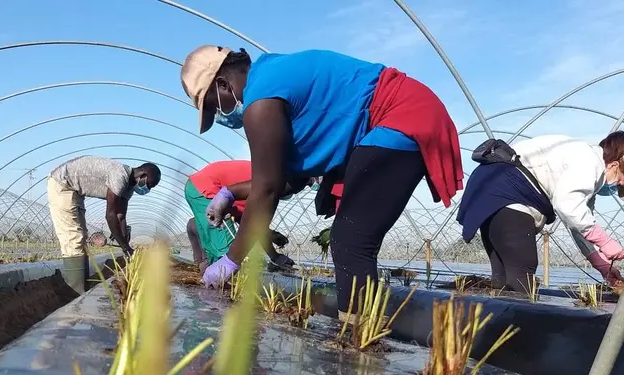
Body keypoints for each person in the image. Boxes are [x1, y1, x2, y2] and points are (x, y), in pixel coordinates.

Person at [179, 45, 463, 319]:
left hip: (399, 113)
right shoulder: (272, 76)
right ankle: (358, 327)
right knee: (351, 239)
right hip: (391, 118)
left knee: (351, 241)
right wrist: (230, 193)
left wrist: (230, 262)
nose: (221, 116)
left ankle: (357, 340)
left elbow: (267, 191)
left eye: (215, 107)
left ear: (223, 84)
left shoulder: (261, 100)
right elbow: (287, 182)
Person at [456, 131, 624, 293]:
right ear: (613, 165)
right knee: (523, 271)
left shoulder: (586, 172)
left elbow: (578, 225)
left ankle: (493, 331)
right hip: (508, 194)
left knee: (503, 278)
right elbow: (567, 206)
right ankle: (518, 331)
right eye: (621, 181)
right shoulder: (590, 163)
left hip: (489, 193)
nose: (617, 187)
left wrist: (602, 265)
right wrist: (604, 240)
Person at [46, 155, 161, 293]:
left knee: (82, 239)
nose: (147, 189)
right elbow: (110, 215)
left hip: (76, 192)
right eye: (149, 185)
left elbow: (120, 216)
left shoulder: (128, 188)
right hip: (62, 184)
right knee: (73, 239)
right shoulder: (119, 175)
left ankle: (82, 289)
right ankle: (75, 294)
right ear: (143, 175)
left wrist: (126, 244)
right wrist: (126, 248)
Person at [184, 160, 301, 275]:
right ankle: (218, 284)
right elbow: (255, 225)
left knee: (213, 247)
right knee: (227, 251)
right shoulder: (269, 184)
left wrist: (272, 241)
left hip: (196, 187)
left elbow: (250, 224)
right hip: (206, 188)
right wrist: (274, 255)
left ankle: (209, 282)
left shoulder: (269, 175)